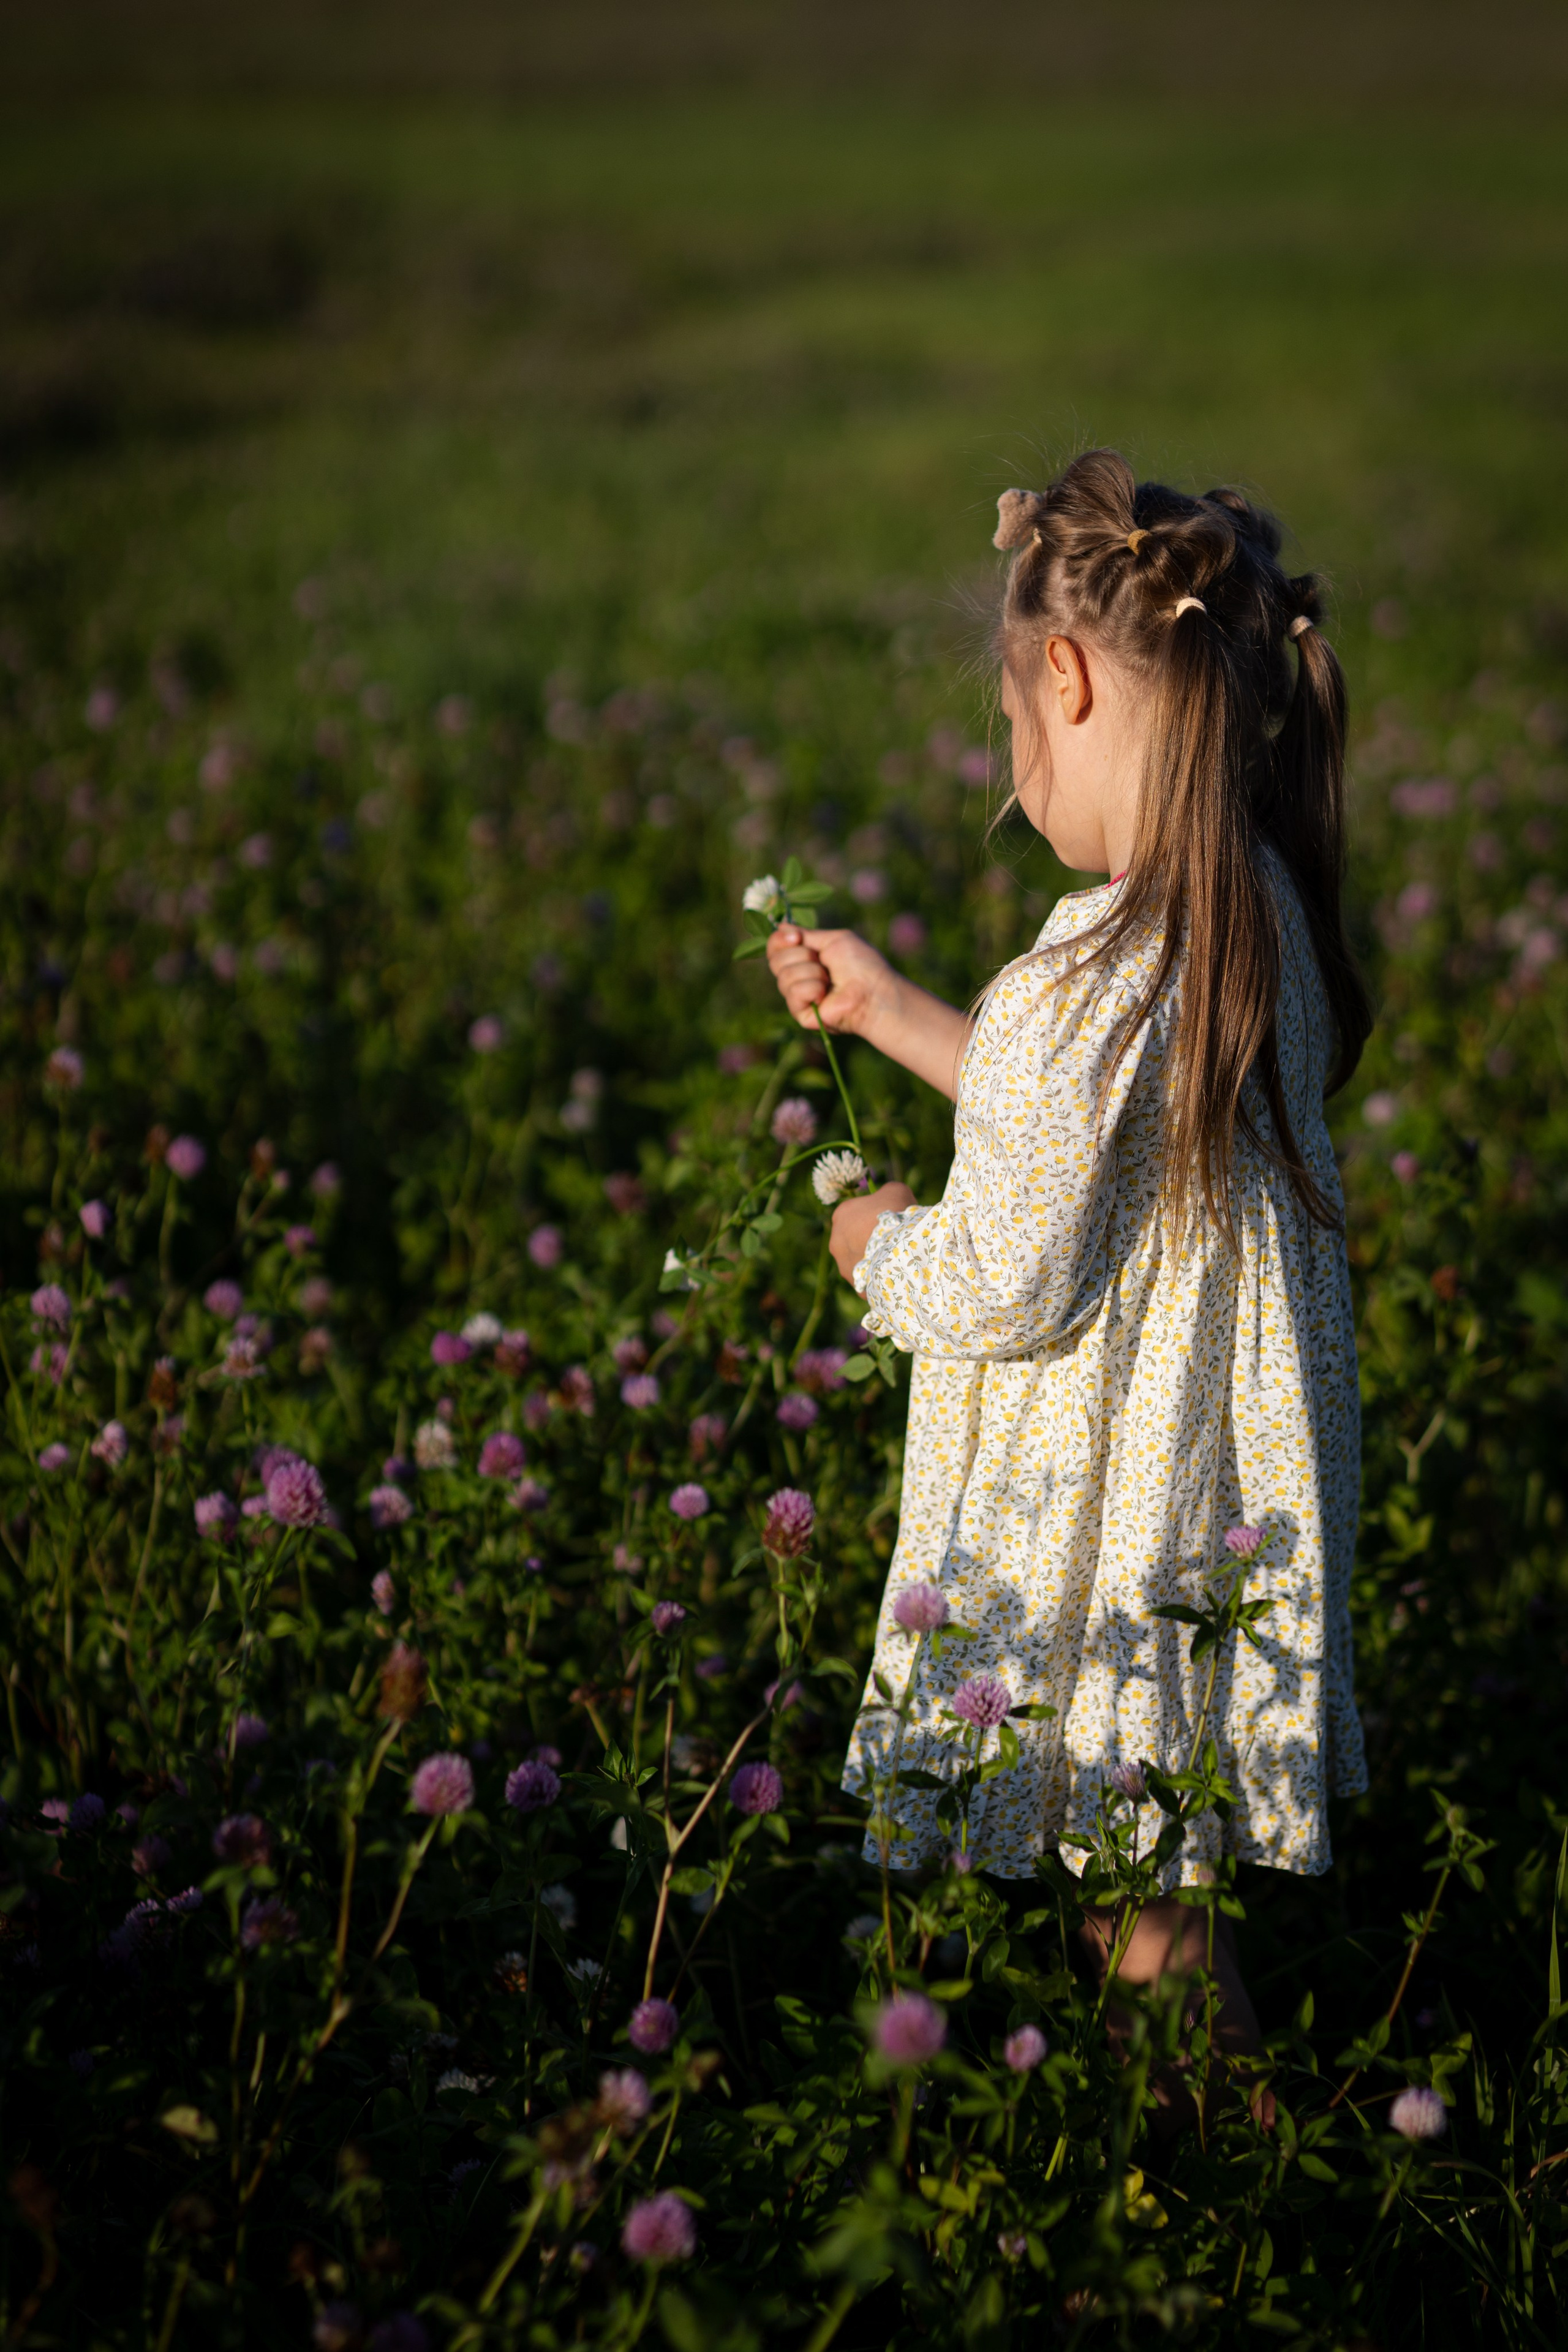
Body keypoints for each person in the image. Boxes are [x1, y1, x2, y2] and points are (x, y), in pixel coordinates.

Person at [765, 447, 1371, 2091]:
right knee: (1158, 1891)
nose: (1014, 768)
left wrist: (875, 1235)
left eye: (1012, 733)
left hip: (1120, 1530)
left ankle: (1217, 2202)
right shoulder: (1248, 913)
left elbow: (1010, 1273)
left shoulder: (1090, 977)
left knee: (1143, 1925)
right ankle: (1215, 2175)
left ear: (1070, 677)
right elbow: (1090, 1130)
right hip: (1221, 1513)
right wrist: (891, 1012)